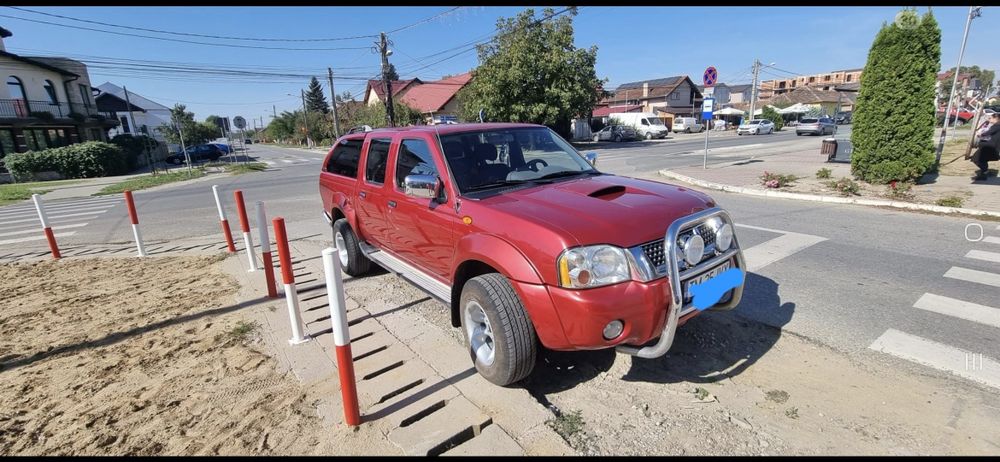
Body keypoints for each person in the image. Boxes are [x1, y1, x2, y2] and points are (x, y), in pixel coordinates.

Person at [970, 112, 1000, 181]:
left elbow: (987, 133)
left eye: (991, 118)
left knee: (977, 159)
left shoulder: (997, 126)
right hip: (992, 146)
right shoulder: (997, 125)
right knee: (982, 159)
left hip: (990, 147)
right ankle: (984, 173)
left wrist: (980, 134)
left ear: (996, 118)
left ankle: (984, 173)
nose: (989, 120)